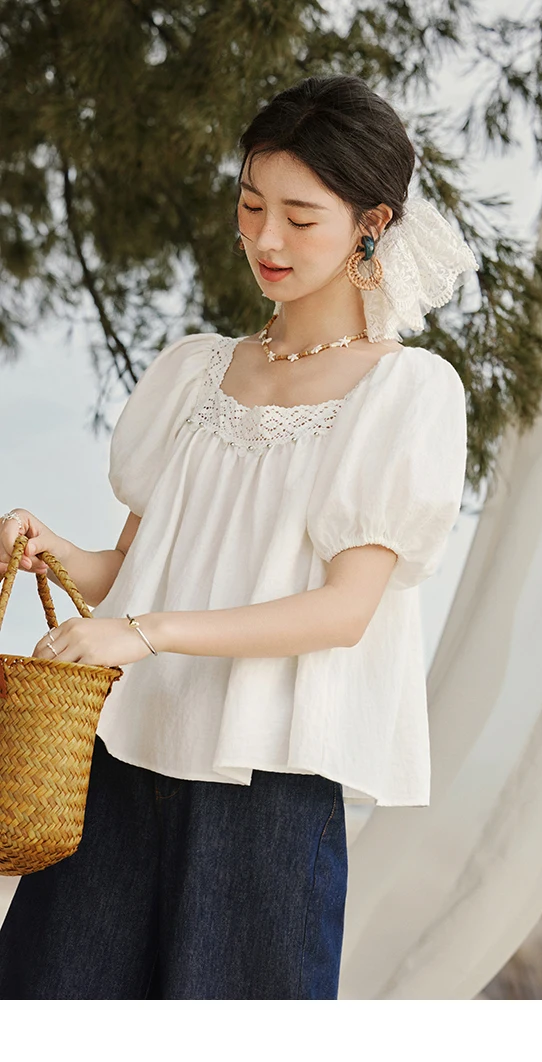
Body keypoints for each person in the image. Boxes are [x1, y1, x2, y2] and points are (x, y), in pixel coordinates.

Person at [0, 74, 477, 999]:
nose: (266, 240)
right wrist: (50, 548)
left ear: (372, 223)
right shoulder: (194, 374)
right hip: (116, 757)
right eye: (252, 205)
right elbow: (131, 572)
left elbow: (343, 612)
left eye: (301, 217)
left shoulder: (405, 394)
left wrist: (144, 634)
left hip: (267, 783)